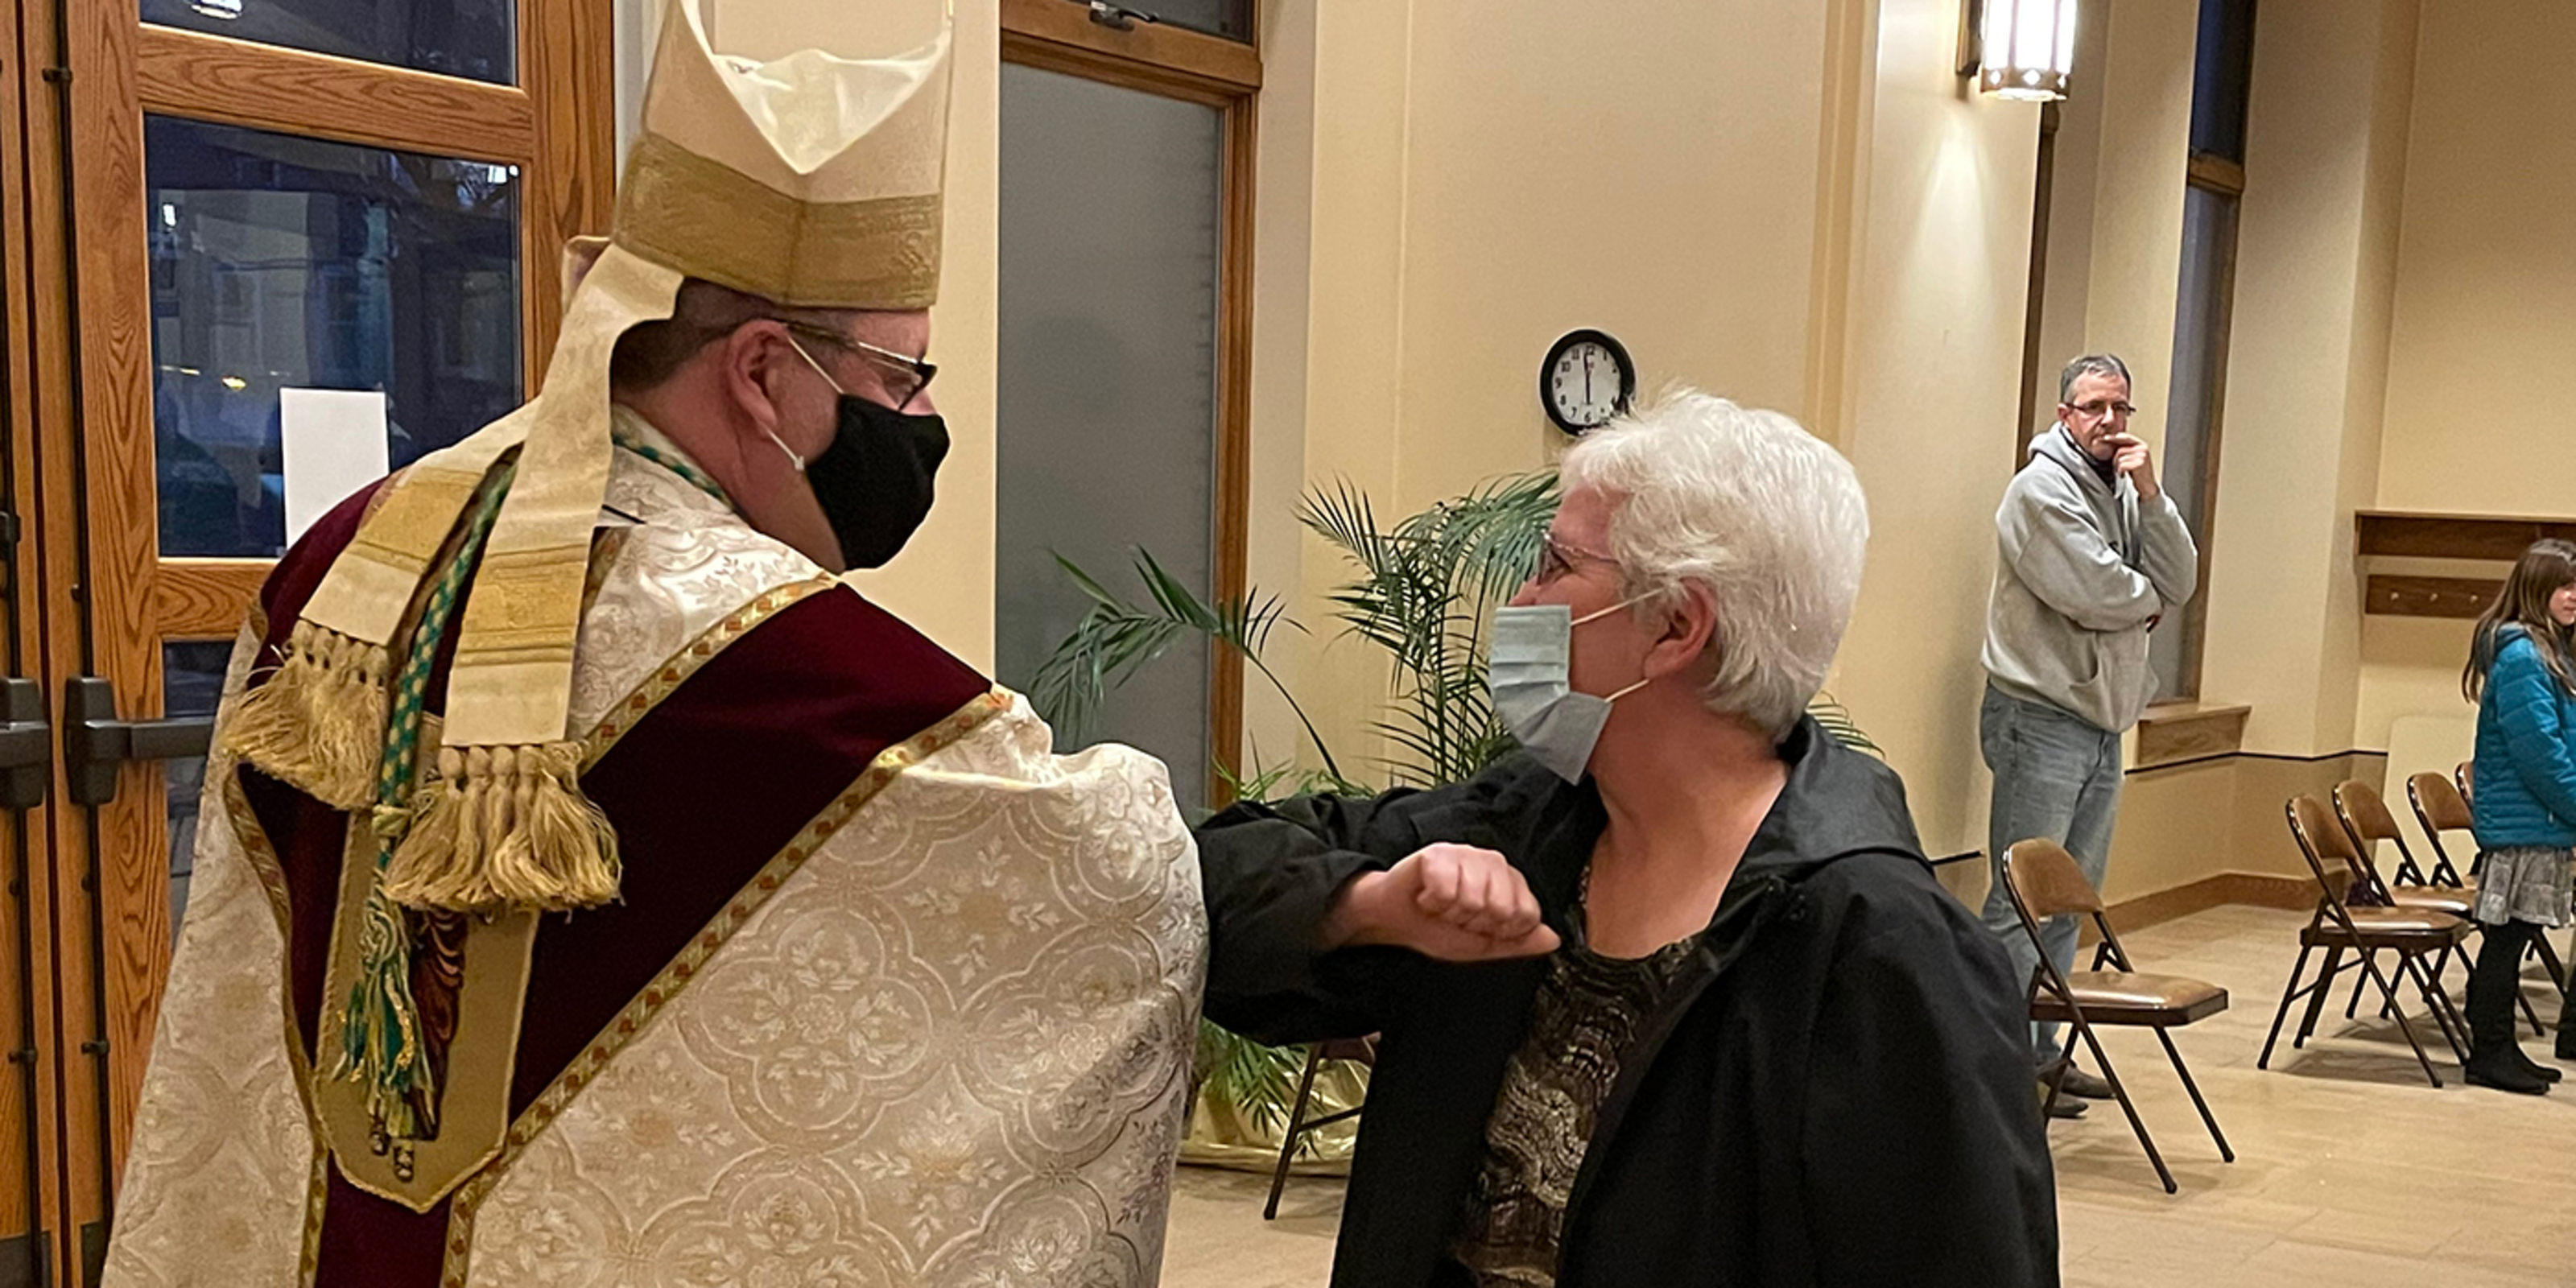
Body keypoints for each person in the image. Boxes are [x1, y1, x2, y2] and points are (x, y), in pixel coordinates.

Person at [102, 6, 1204, 1286]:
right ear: (762, 372)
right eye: (902, 378)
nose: (922, 417)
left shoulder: (346, 557)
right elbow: (1099, 873)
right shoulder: (774, 657)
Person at [1198, 391, 2058, 1287]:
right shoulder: (1529, 823)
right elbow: (1202, 877)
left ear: (1677, 626)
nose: (1521, 600)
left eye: (1554, 565)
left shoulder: (1881, 951)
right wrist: (1368, 906)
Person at [1977, 353, 2198, 1109]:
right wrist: (2148, 600)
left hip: (2103, 719)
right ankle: (1996, 1068)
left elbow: (2181, 579)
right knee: (2020, 901)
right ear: (2064, 414)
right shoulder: (2039, 492)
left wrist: (2153, 496)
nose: (2110, 422)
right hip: (2040, 716)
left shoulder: (2125, 491)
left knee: (2070, 900)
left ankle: (2042, 1053)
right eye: (2094, 407)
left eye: (2120, 408)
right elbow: (2099, 592)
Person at [2458, 539, 2576, 1095]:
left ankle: (2501, 1047)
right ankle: (2489, 1052)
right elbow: (2540, 754)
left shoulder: (2546, 649)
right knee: (2506, 939)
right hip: (2527, 820)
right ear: (2536, 588)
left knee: (2515, 935)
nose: (2574, 596)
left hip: (2539, 818)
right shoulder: (2524, 656)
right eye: (2564, 586)